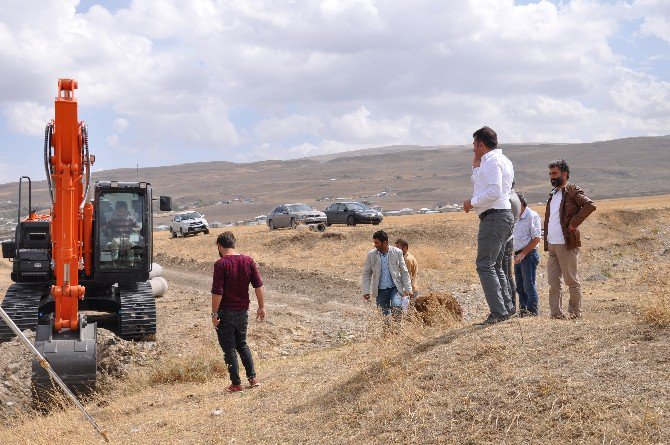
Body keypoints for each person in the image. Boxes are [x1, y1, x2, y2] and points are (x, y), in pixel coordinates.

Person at [463, 126, 515, 325]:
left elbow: (494, 191)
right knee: (497, 265)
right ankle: (507, 307)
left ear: (480, 144)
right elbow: (483, 182)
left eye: (474, 145)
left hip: (494, 217)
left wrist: (471, 202)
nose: (473, 149)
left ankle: (499, 312)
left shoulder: (493, 162)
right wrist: (476, 166)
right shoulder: (501, 160)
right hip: (502, 215)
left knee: (485, 265)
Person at [211, 231, 266, 392]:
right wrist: (262, 306)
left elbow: (217, 292)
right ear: (234, 244)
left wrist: (214, 314)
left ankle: (236, 383)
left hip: (225, 312)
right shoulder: (248, 261)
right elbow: (258, 286)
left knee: (229, 348)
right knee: (242, 344)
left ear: (219, 246)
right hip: (243, 311)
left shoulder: (221, 264)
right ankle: (253, 378)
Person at [544, 159, 596, 319]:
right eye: (550, 174)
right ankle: (556, 314)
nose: (552, 177)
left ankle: (575, 313)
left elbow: (589, 205)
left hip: (565, 244)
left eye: (555, 173)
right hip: (552, 244)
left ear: (564, 174)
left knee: (571, 280)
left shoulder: (571, 190)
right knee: (553, 283)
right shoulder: (553, 194)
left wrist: (573, 224)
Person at [362, 230, 412, 321]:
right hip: (380, 290)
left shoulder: (397, 252)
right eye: (374, 242)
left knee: (396, 306)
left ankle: (397, 332)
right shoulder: (371, 255)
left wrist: (408, 289)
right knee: (383, 315)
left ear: (384, 242)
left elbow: (404, 271)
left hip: (395, 288)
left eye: (377, 243)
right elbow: (367, 273)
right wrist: (365, 291)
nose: (375, 245)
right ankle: (387, 332)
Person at [513, 192, 542, 316]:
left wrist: (523, 253)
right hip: (517, 255)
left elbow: (536, 238)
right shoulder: (516, 218)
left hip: (528, 255)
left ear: (521, 204)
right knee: (519, 286)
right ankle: (523, 311)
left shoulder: (532, 216)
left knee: (529, 286)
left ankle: (532, 312)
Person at [504, 181, 522, 312]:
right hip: (509, 239)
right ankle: (510, 306)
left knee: (505, 274)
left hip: (506, 239)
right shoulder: (514, 197)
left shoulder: (509, 199)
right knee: (507, 274)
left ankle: (509, 306)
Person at [395, 238, 419, 312]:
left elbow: (407, 276)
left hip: (409, 291)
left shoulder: (407, 259)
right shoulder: (405, 257)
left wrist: (405, 291)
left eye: (398, 248)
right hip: (410, 290)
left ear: (405, 247)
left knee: (408, 313)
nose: (396, 250)